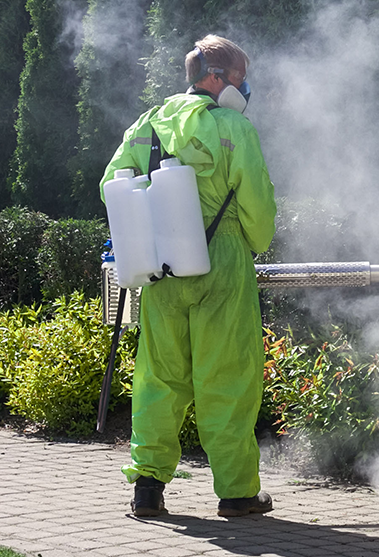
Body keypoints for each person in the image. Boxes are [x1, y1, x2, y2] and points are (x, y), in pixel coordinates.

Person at [100, 34, 278, 517]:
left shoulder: (147, 124)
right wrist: (255, 242)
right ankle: (238, 493)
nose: (244, 87)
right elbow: (257, 203)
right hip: (220, 261)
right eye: (240, 77)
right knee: (227, 376)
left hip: (161, 266)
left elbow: (110, 184)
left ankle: (148, 488)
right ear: (216, 78)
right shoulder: (232, 128)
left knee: (159, 377)